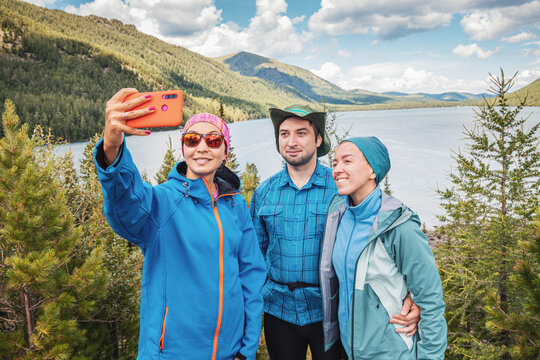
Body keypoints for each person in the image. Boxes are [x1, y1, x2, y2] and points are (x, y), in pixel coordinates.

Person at [93, 88, 266, 360]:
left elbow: (251, 277)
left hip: (231, 353)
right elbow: (126, 204)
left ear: (225, 151)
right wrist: (112, 147)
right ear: (183, 147)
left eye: (213, 140)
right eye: (193, 139)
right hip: (170, 353)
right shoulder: (163, 202)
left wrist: (247, 349)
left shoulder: (235, 205)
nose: (202, 147)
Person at [250, 106, 422, 360]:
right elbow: (254, 256)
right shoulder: (265, 192)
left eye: (301, 133)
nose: (292, 141)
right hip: (279, 310)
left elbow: (381, 237)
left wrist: (411, 295)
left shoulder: (341, 186)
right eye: (284, 134)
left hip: (330, 311)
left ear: (318, 139)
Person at [320, 137, 447, 359]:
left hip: (393, 353)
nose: (337, 169)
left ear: (373, 170)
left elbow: (431, 300)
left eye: (347, 161)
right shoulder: (338, 216)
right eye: (335, 163)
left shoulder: (399, 225)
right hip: (349, 353)